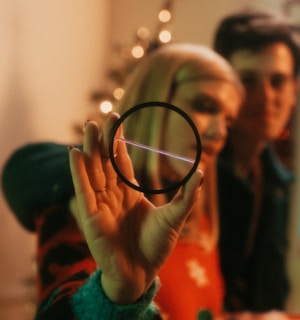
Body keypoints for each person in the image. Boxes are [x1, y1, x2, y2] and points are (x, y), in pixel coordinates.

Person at [2, 43, 243, 319]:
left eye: (229, 121)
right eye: (204, 106)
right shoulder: (93, 210)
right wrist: (117, 295)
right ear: (155, 100)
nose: (220, 131)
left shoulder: (197, 220)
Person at [212, 8, 300, 312]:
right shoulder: (193, 163)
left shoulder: (277, 181)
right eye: (248, 80)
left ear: (295, 91)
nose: (266, 98)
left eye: (277, 81)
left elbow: (271, 288)